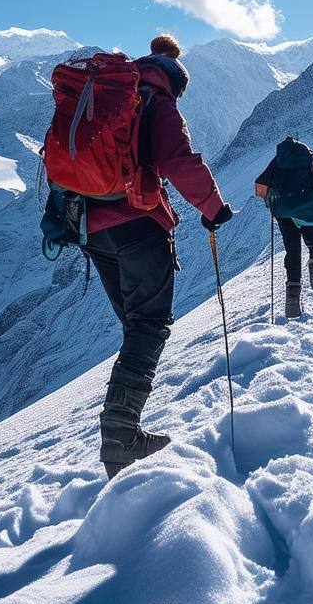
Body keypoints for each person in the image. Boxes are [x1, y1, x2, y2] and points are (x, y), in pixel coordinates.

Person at [82, 35, 232, 478]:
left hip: (91, 227)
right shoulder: (157, 102)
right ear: (174, 78)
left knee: (135, 325)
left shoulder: (109, 95)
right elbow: (178, 160)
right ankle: (121, 436)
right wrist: (214, 209)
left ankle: (124, 431)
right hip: (137, 224)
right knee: (148, 326)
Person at [255, 136, 313, 318]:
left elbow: (261, 184)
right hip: (307, 208)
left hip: (284, 211)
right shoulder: (310, 155)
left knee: (293, 250)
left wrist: (270, 201)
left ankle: (292, 297)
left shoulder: (278, 160)